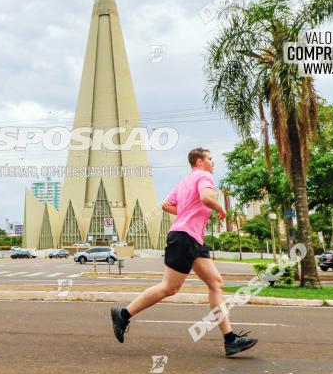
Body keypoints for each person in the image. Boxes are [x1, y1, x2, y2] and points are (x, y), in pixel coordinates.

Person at [110, 147, 258, 356]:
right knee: (169, 288)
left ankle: (230, 340)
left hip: (192, 239)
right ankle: (123, 314)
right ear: (199, 161)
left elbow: (166, 205)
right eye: (210, 158)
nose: (213, 162)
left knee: (215, 282)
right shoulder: (205, 176)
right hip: (185, 237)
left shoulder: (184, 181)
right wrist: (222, 209)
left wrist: (188, 211)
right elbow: (207, 198)